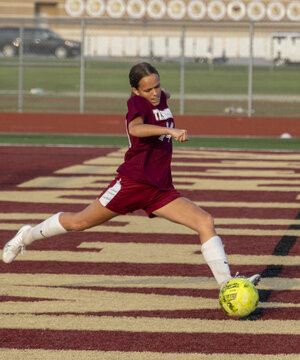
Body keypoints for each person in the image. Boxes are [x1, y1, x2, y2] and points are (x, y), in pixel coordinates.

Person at [2, 62, 260, 290]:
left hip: (160, 189)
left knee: (205, 221)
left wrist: (164, 98)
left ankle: (227, 285)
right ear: (135, 91)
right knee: (79, 222)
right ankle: (26, 236)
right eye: (148, 89)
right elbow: (135, 129)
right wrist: (169, 131)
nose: (155, 93)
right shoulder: (136, 103)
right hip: (132, 184)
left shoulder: (161, 98)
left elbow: (162, 98)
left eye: (157, 86)